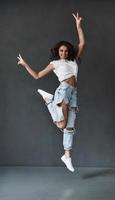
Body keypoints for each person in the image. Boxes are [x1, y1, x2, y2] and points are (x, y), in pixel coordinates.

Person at [17, 12, 85, 172]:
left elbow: (82, 43)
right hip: (63, 90)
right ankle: (49, 101)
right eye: (61, 51)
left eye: (66, 51)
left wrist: (78, 26)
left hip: (73, 93)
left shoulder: (73, 60)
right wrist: (25, 64)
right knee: (62, 124)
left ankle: (67, 155)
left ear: (68, 52)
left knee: (69, 126)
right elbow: (37, 75)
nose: (63, 53)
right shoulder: (54, 63)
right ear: (58, 52)